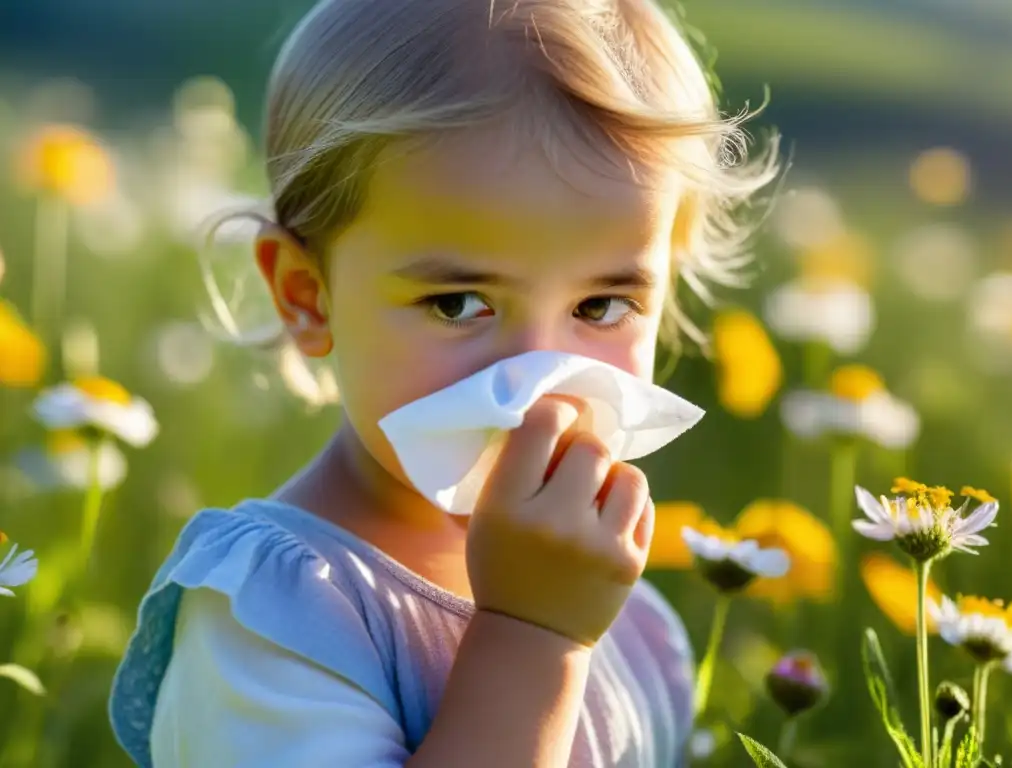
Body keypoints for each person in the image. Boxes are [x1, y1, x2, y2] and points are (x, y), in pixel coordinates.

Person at [109, 0, 779, 765]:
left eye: (600, 306)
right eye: (458, 304)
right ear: (306, 293)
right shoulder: (277, 618)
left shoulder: (631, 619)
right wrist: (532, 639)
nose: (534, 380)